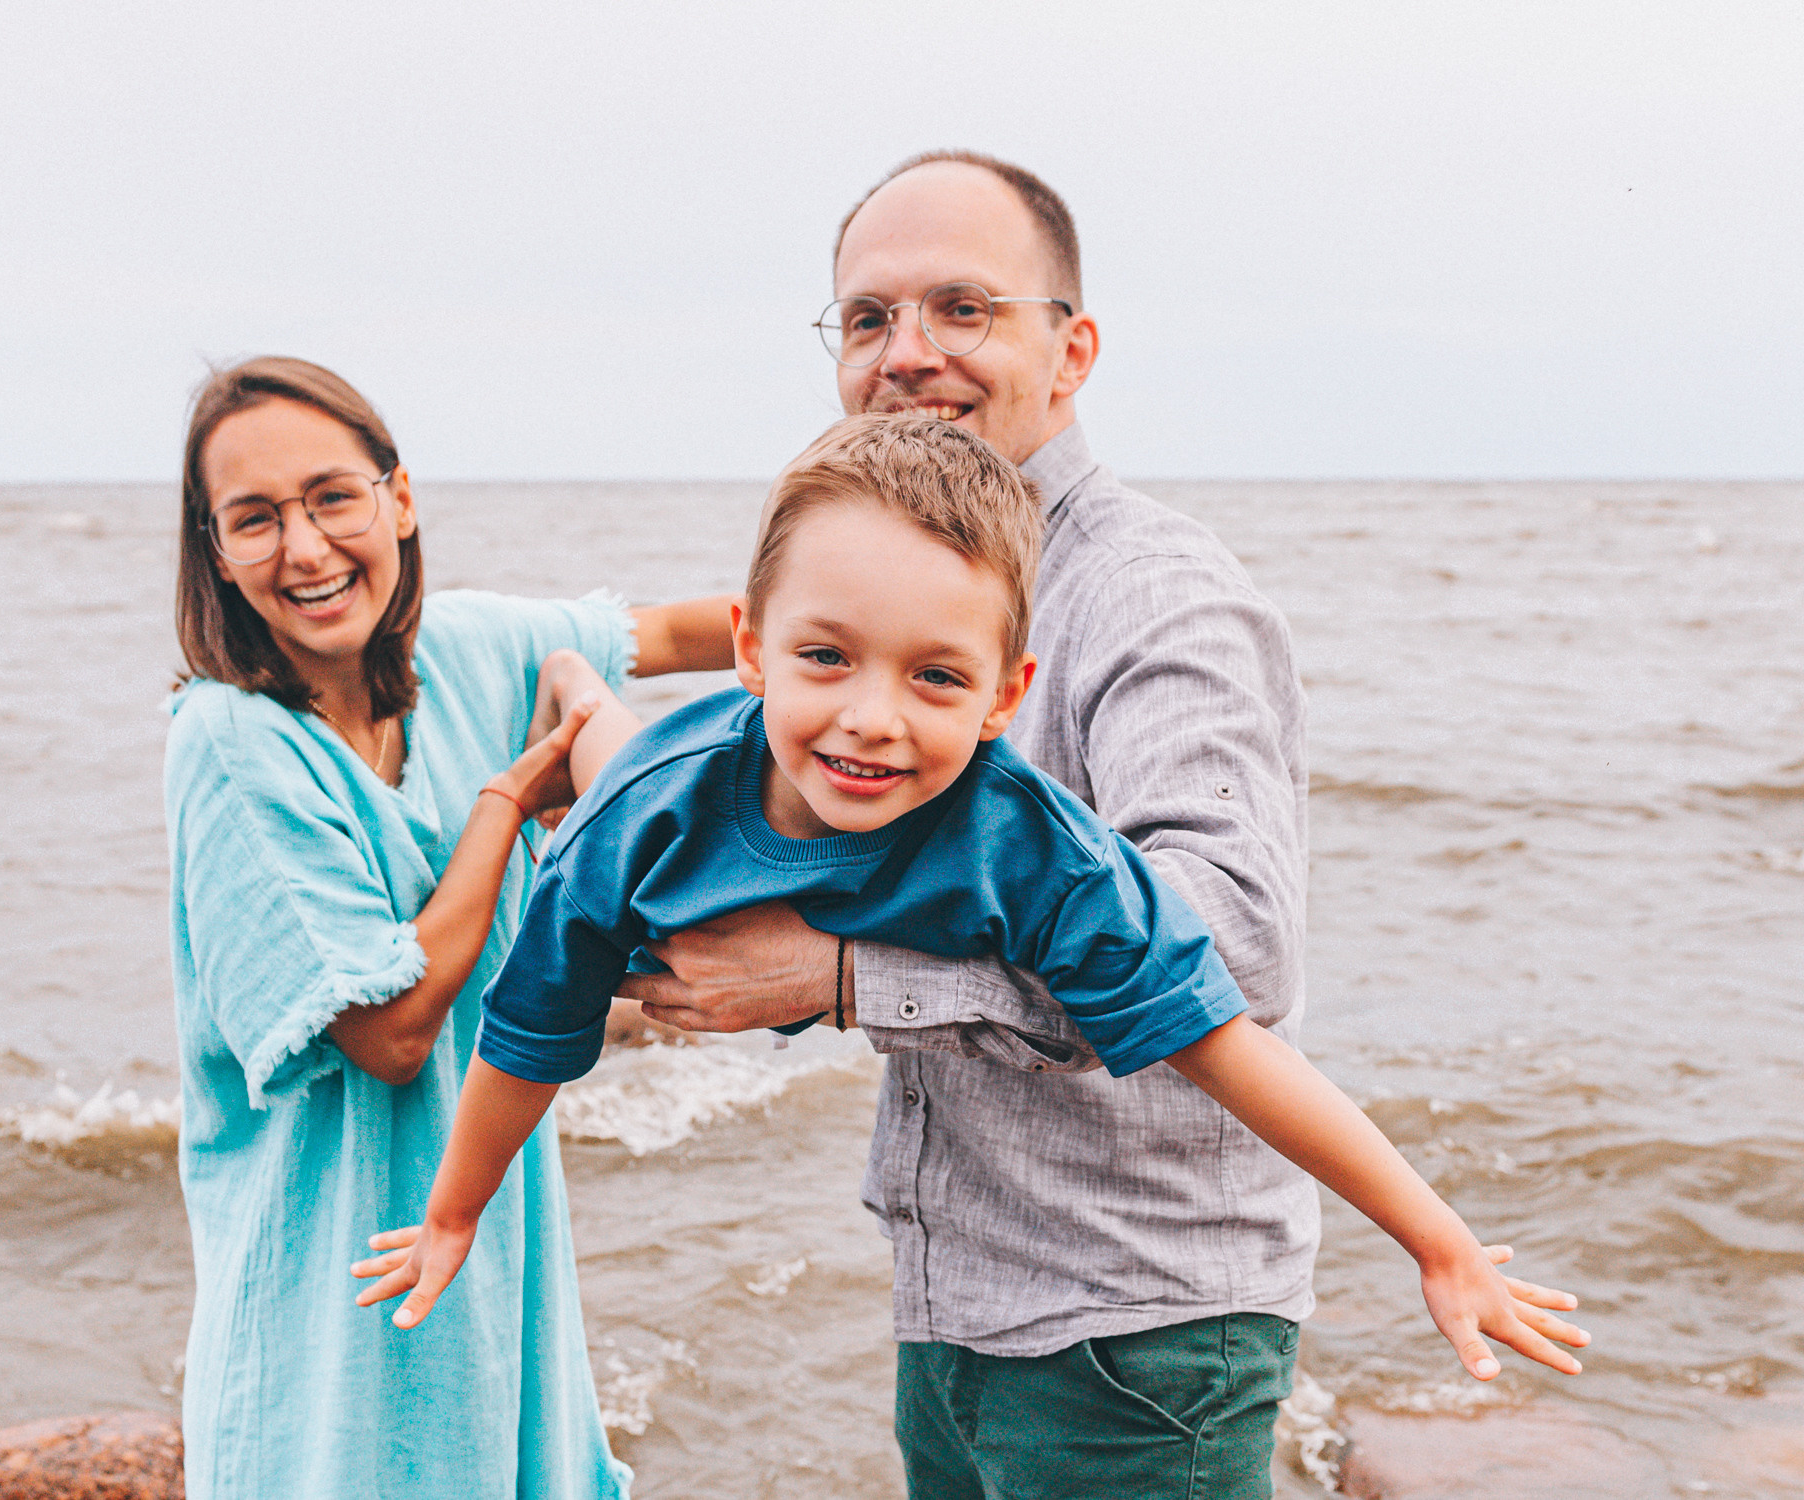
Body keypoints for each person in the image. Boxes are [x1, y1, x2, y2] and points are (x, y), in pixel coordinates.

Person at [611, 154, 1581, 1496]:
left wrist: (843, 981)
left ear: (1072, 350)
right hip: (962, 1305)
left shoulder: (1149, 597)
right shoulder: (919, 604)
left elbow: (1228, 952)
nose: (907, 354)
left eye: (963, 308)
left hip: (1138, 1330)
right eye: (868, 319)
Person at [354, 417, 1586, 1423]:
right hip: (684, 825)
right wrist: (457, 1208)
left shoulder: (1030, 846)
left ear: (1005, 695)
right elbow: (526, 1038)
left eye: (934, 676)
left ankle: (591, 693)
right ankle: (579, 692)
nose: (872, 720)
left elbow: (1227, 1040)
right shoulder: (646, 823)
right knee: (619, 755)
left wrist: (1436, 1240)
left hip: (849, 906)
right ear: (749, 646)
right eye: (825, 657)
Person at [164, 356, 731, 1498]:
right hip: (325, 1307)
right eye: (256, 519)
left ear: (399, 500)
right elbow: (391, 1030)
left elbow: (684, 631)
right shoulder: (229, 745)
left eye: (332, 496)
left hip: (491, 1261)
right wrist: (505, 805)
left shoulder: (468, 648)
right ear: (217, 553)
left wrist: (892, 639)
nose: (308, 548)